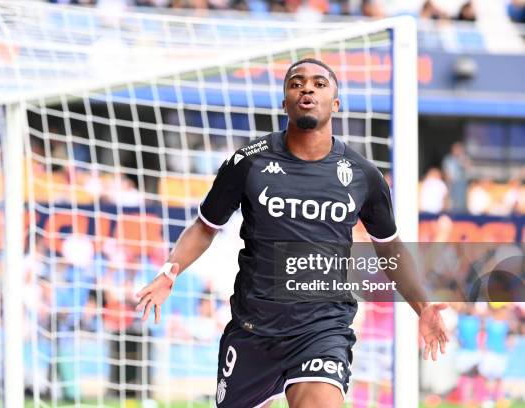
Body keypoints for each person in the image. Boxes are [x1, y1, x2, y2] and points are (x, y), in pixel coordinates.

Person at [135, 58, 449, 407]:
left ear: (336, 103)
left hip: (321, 330)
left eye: (319, 83)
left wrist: (422, 306)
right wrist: (169, 271)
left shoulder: (362, 175)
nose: (308, 89)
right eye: (296, 83)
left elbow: (390, 249)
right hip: (253, 331)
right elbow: (205, 226)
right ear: (284, 102)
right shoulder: (248, 162)